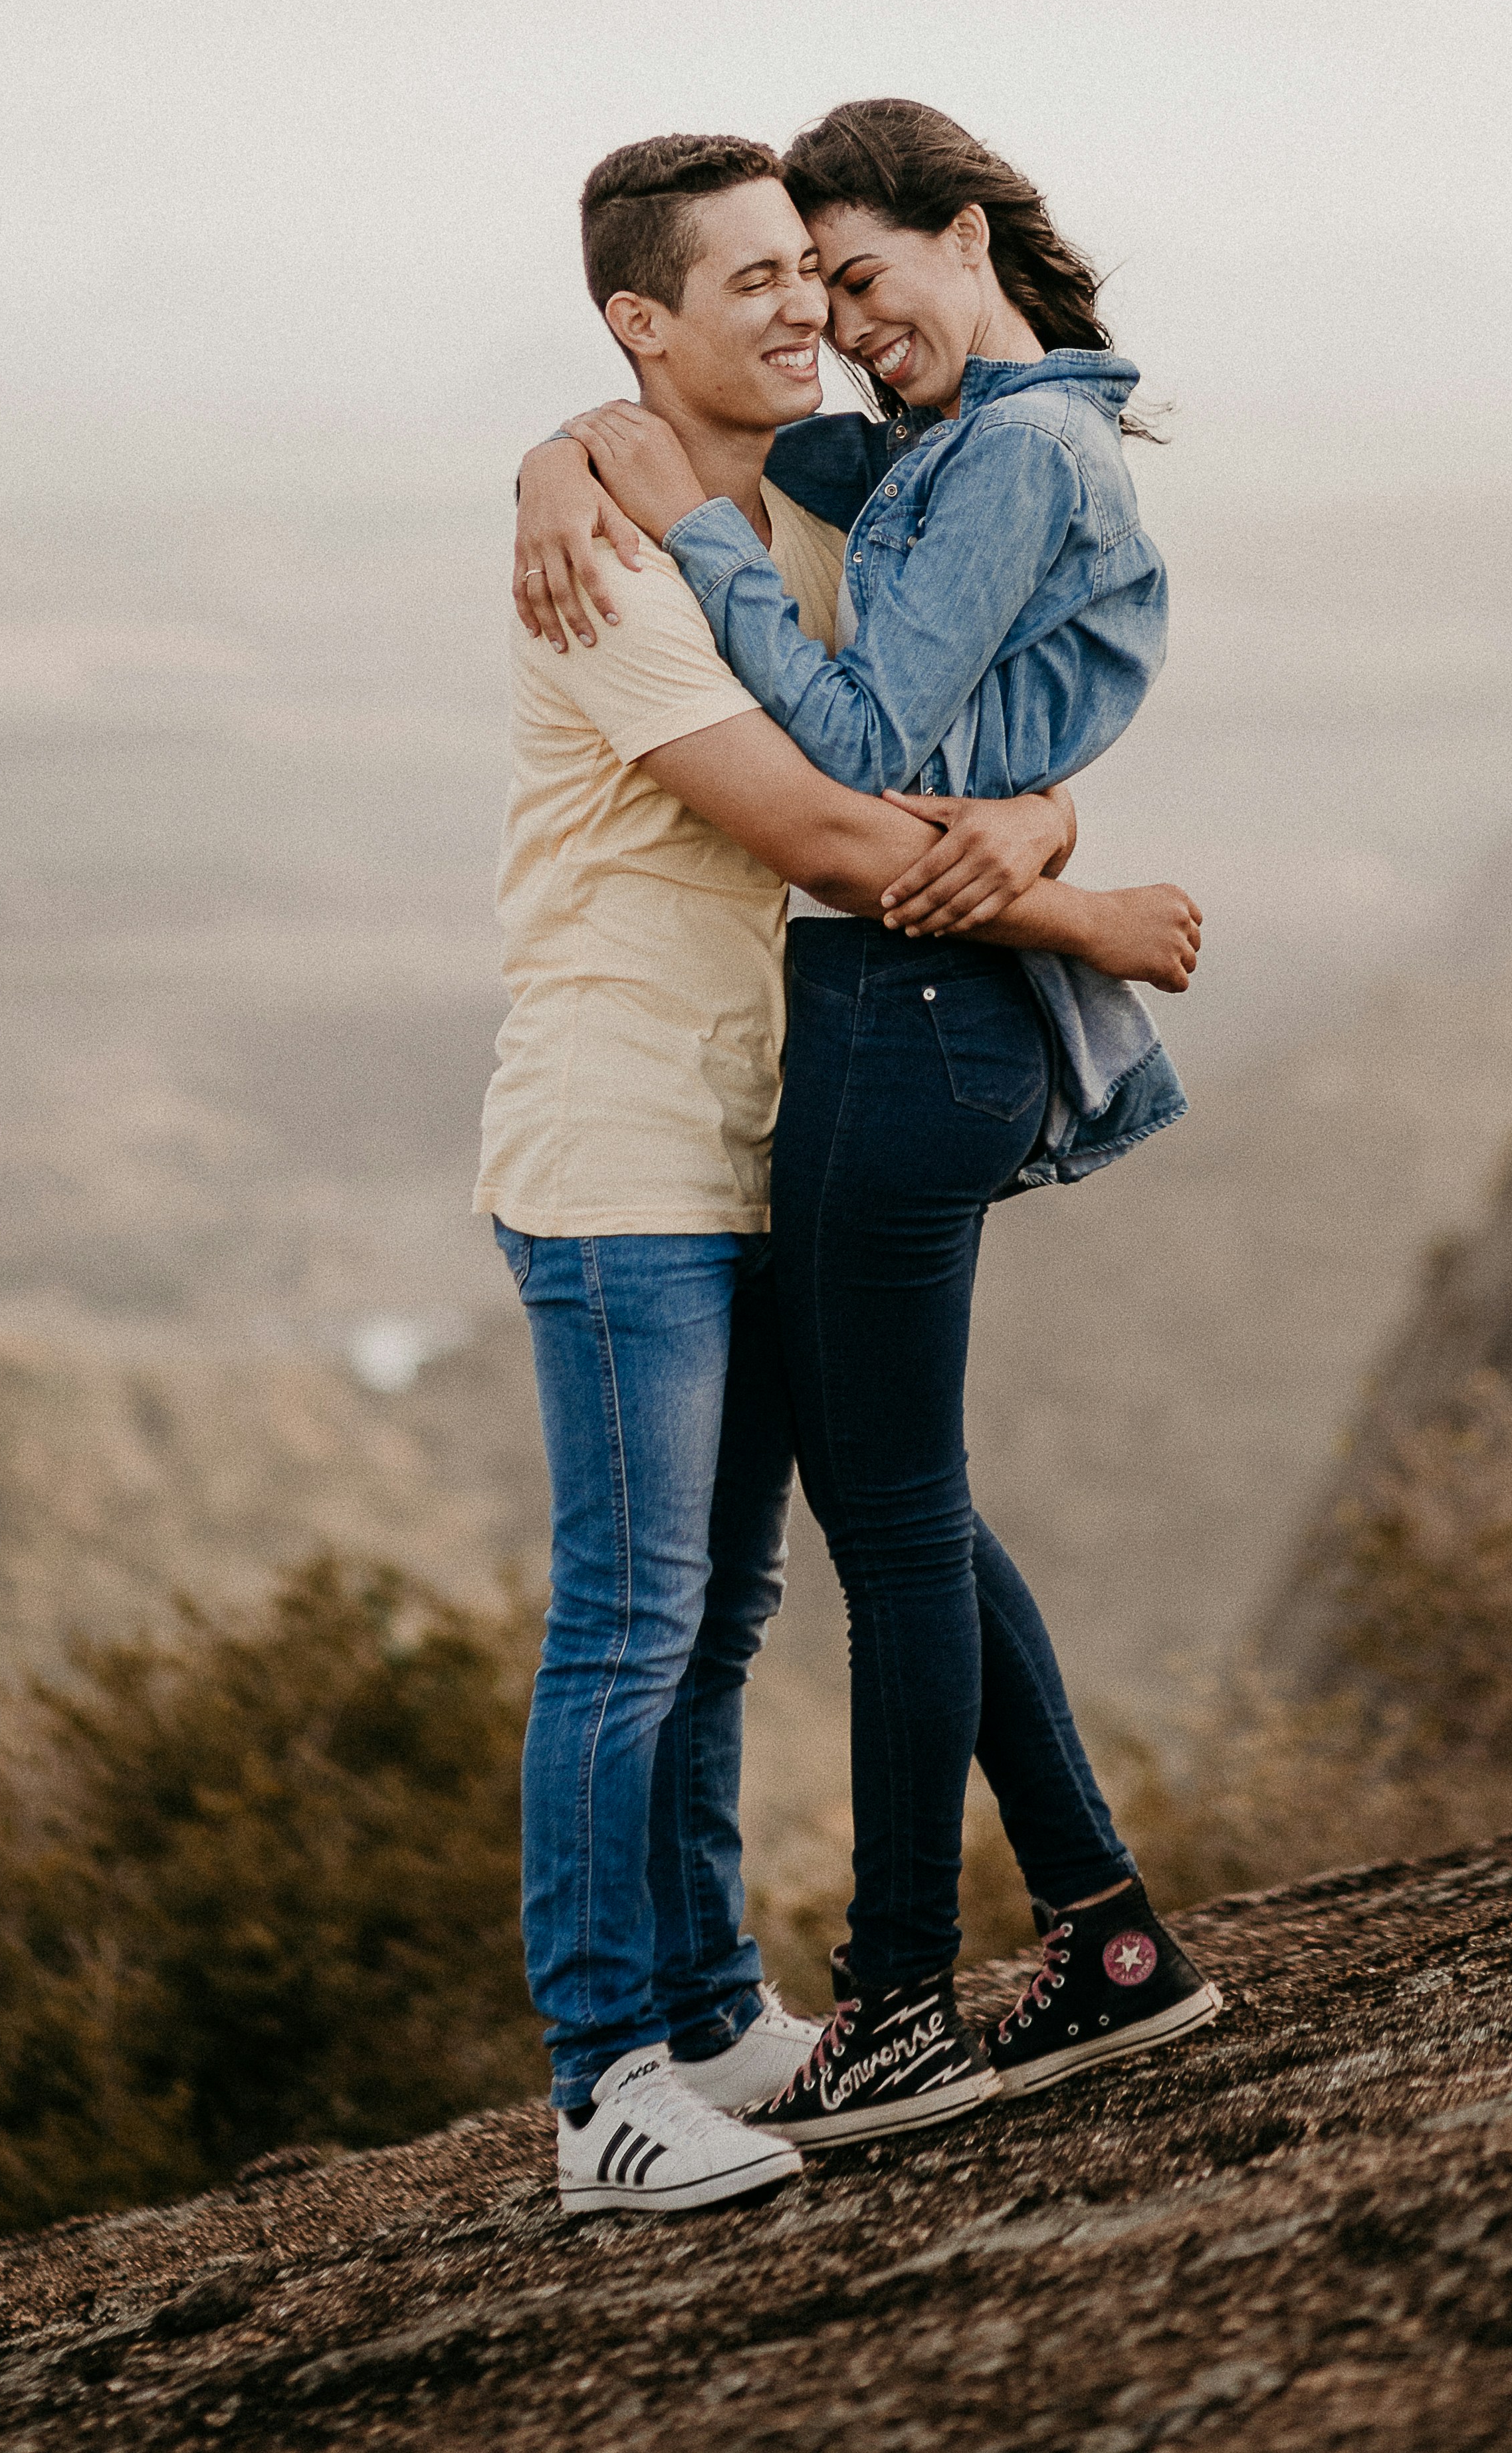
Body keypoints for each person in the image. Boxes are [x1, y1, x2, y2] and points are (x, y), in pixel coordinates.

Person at [486, 132, 1203, 2210]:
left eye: (820, 271)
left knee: (728, 1609)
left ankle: (714, 2014)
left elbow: (975, 693)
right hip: (624, 1130)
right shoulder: (616, 553)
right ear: (647, 326)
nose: (809, 310)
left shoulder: (804, 500)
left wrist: (1052, 820)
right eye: (759, 286)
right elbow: (824, 829)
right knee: (632, 1624)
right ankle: (603, 2085)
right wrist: (1080, 906)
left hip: (754, 1116)